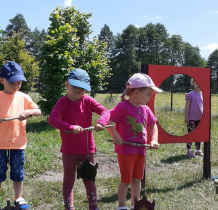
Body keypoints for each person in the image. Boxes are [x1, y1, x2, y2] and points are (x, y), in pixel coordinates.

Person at [0, 61, 41, 210]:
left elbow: (38, 111)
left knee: (17, 172)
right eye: (12, 83)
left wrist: (28, 112)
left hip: (18, 143)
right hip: (0, 144)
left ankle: (18, 197)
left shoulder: (23, 97)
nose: (16, 86)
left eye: (19, 83)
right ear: (1, 80)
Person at [48, 68, 110, 210]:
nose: (78, 90)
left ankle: (93, 206)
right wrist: (69, 127)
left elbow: (105, 111)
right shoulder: (63, 101)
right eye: (75, 86)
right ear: (66, 85)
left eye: (82, 88)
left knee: (89, 178)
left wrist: (101, 122)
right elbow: (52, 119)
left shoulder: (88, 100)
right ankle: (69, 206)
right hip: (69, 150)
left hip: (87, 149)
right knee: (69, 179)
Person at [106, 73, 161, 210]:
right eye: (148, 94)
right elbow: (109, 120)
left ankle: (134, 206)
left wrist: (153, 139)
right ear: (136, 92)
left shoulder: (145, 109)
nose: (150, 97)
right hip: (126, 151)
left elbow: (153, 125)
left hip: (140, 150)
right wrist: (115, 136)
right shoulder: (123, 107)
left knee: (137, 179)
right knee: (126, 180)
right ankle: (122, 206)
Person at [184, 78, 204, 158]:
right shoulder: (190, 94)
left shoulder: (203, 94)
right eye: (196, 83)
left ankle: (197, 150)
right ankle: (189, 150)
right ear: (192, 83)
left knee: (199, 134)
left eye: (200, 82)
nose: (198, 84)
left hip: (201, 119)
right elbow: (187, 107)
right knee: (190, 134)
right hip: (191, 119)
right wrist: (186, 117)